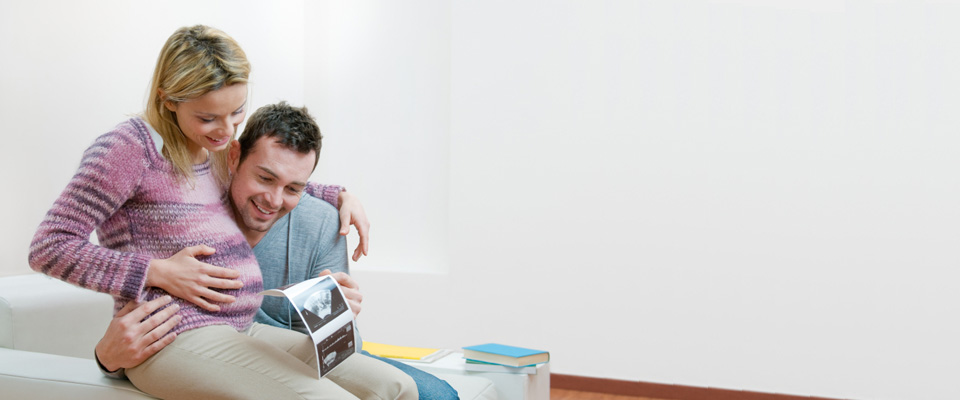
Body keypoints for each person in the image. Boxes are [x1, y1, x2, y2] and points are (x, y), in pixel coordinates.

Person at [29, 25, 415, 399]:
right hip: (174, 337)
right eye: (208, 117)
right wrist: (156, 271)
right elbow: (49, 246)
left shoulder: (211, 150)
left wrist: (339, 194)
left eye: (236, 113)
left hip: (240, 329)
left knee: (395, 388)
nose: (226, 130)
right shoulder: (129, 148)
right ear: (168, 99)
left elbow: (271, 177)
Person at [95, 102, 461, 400]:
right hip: (204, 333)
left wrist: (334, 309)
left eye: (293, 188)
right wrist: (106, 358)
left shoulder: (320, 221)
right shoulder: (195, 200)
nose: (273, 200)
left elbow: (341, 344)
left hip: (280, 336)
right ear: (233, 158)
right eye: (265, 178)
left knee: (417, 391)